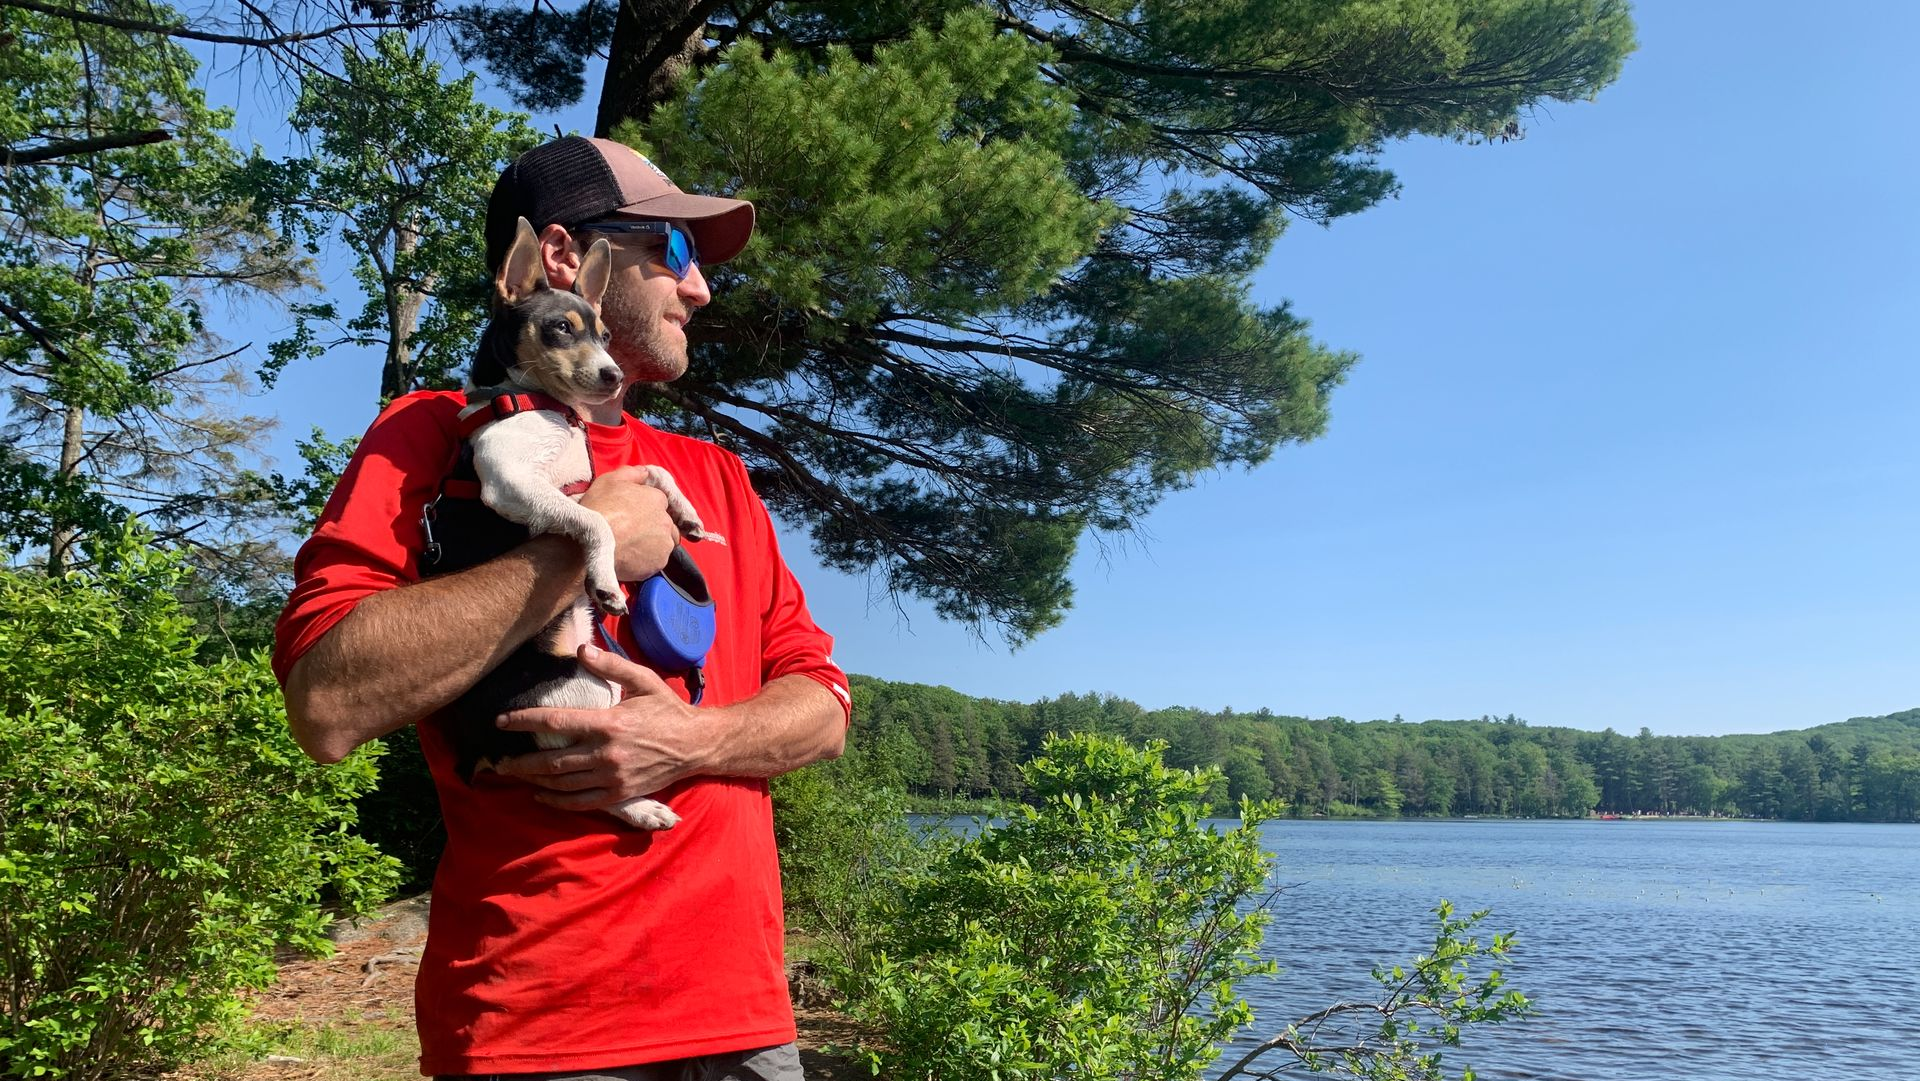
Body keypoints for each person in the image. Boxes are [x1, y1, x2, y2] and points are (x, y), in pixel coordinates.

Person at [273, 135, 851, 1081]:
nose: (699, 287)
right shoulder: (434, 433)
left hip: (747, 1024)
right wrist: (576, 545)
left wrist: (688, 742)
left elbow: (823, 705)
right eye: (672, 251)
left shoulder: (717, 480)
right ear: (560, 260)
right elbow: (326, 702)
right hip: (540, 1033)